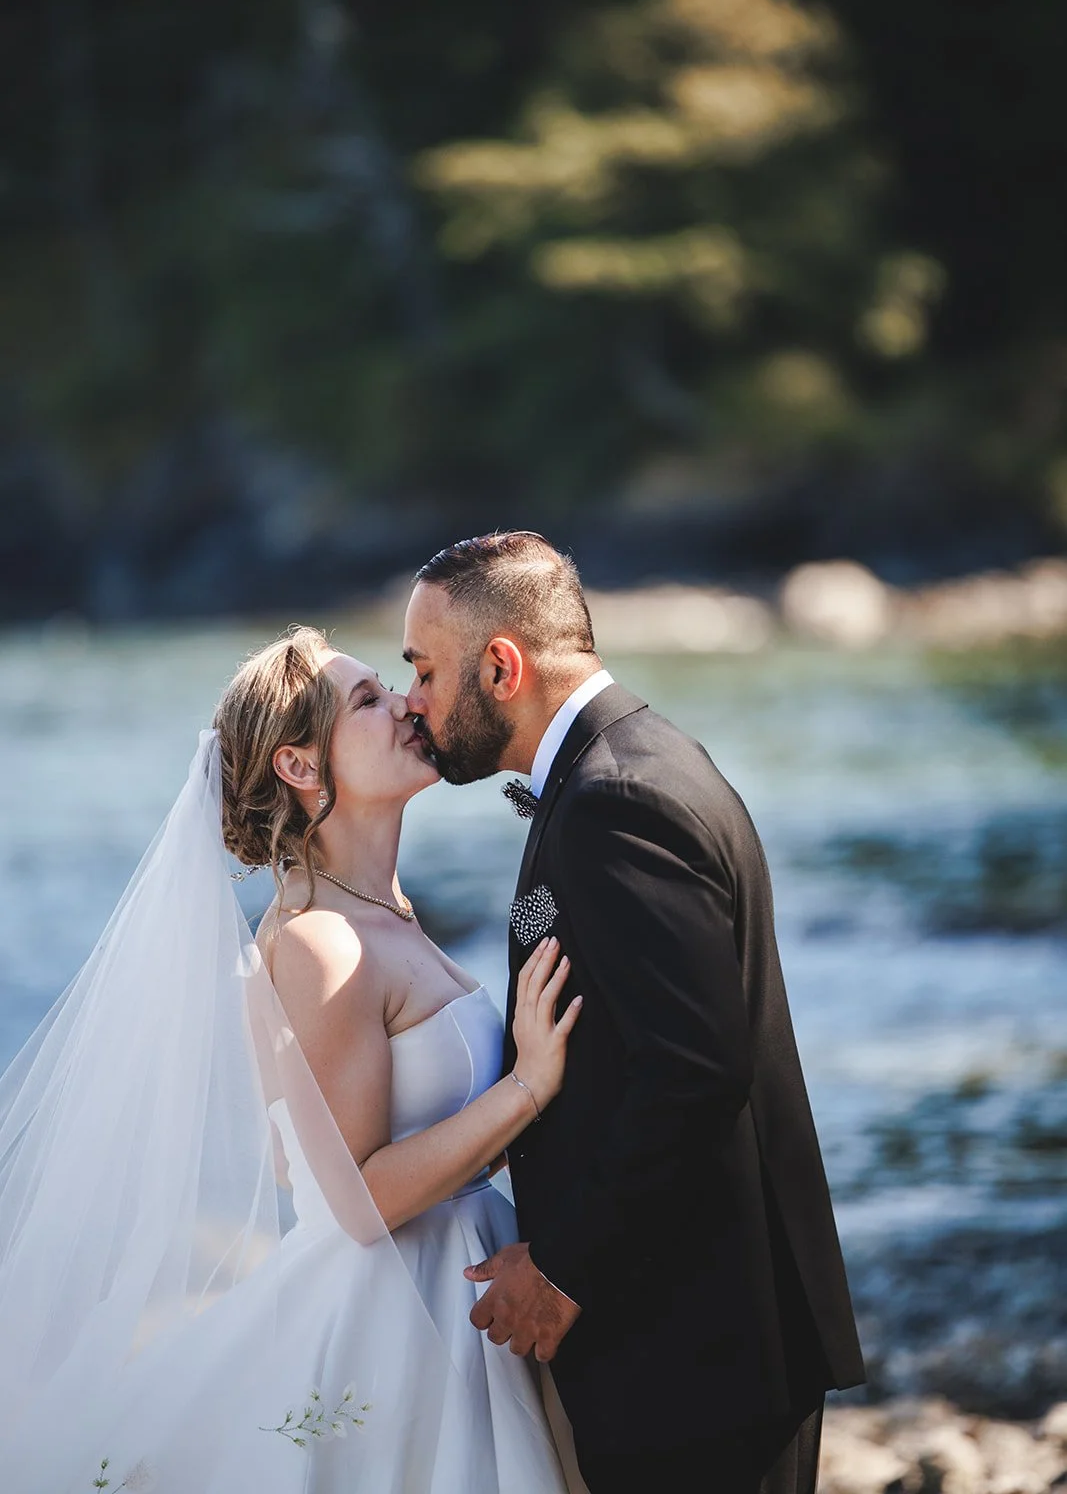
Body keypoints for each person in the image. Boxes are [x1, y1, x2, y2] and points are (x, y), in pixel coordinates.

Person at [0, 626, 586, 1493]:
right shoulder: (319, 943)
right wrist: (530, 1087)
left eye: (392, 688)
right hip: (399, 1317)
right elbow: (355, 1203)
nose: (407, 704)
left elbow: (292, 1156)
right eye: (368, 702)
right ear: (300, 768)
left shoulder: (381, 911)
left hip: (458, 1276)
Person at [403, 532, 866, 1494]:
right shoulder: (622, 767)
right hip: (692, 1335)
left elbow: (695, 1067)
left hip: (696, 1348)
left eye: (424, 670)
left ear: (501, 666)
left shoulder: (617, 799)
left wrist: (564, 1267)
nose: (414, 700)